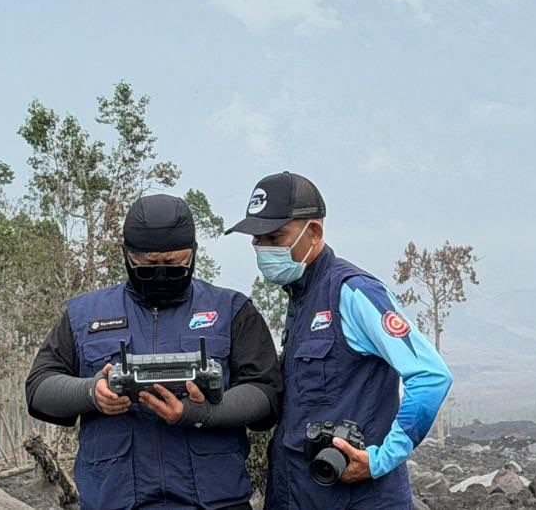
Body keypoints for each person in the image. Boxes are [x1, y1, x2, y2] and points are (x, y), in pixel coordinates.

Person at [25, 193, 283, 510]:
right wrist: (94, 392)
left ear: (194, 254)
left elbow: (266, 394)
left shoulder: (231, 310)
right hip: (116, 499)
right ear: (126, 255)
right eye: (147, 265)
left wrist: (201, 412)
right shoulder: (84, 316)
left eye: (175, 264)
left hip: (214, 502)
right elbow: (39, 389)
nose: (161, 272)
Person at [226, 171, 453, 510]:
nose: (262, 249)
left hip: (358, 497)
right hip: (298, 491)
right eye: (257, 240)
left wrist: (380, 459)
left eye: (274, 238)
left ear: (313, 231)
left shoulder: (353, 292)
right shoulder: (300, 298)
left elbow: (431, 376)